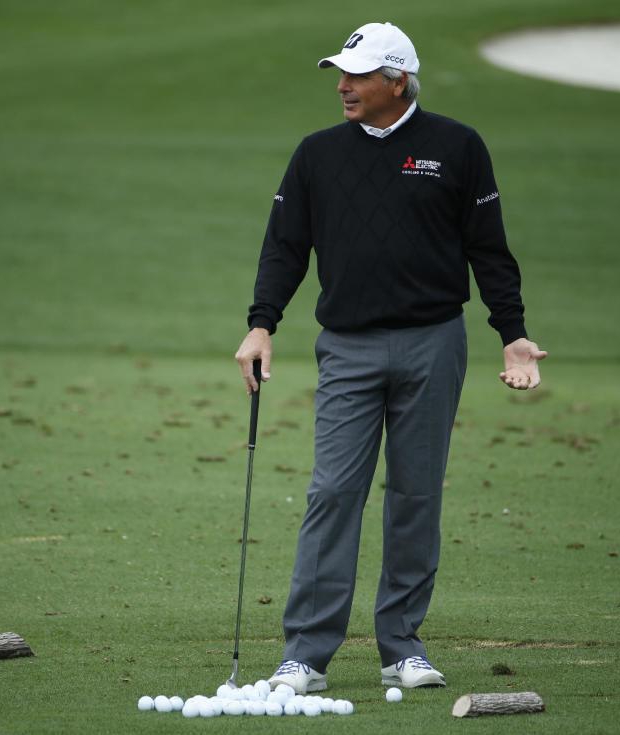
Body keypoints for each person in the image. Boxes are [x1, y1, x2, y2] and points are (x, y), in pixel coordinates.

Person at [234, 21, 547, 693]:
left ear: (397, 80)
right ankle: (307, 656)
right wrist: (261, 326)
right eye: (340, 74)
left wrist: (512, 331)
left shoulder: (457, 147)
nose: (343, 86)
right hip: (346, 347)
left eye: (357, 75)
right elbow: (285, 246)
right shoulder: (317, 154)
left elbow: (488, 249)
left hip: (434, 342)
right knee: (332, 491)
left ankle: (401, 645)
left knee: (414, 495)